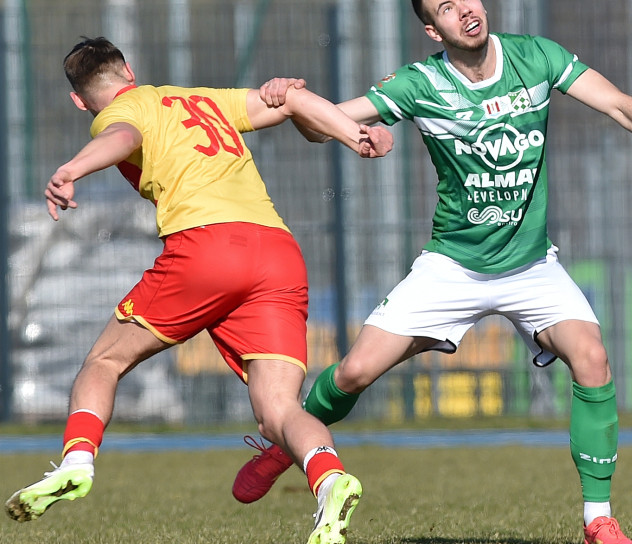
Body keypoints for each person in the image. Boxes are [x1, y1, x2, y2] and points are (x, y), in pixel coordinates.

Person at [233, 0, 632, 544]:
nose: (466, 10)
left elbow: (619, 105)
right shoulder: (418, 82)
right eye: (448, 8)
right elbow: (328, 129)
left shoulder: (536, 57)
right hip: (452, 266)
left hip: (531, 267)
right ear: (432, 29)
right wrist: (292, 99)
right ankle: (288, 440)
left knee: (593, 358)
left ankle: (597, 520)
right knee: (353, 371)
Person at [5, 37, 394, 544]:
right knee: (279, 410)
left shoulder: (118, 113)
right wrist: (355, 134)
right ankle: (330, 480)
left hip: (207, 248)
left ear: (79, 101)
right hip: (277, 253)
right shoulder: (205, 99)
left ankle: (76, 462)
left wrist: (72, 169)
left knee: (103, 363)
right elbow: (294, 100)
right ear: (130, 68)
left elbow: (121, 135)